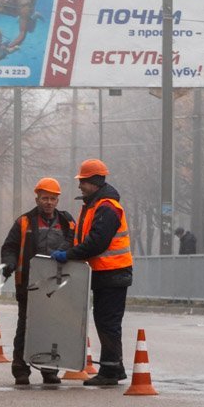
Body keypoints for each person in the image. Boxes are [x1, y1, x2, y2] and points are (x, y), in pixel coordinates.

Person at [50, 158, 132, 386]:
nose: (80, 186)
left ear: (94, 182)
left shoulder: (107, 207)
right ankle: (114, 368)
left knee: (108, 322)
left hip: (113, 273)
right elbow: (83, 238)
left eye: (83, 181)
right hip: (107, 273)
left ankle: (110, 372)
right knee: (106, 321)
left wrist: (70, 255)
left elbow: (97, 242)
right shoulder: (95, 206)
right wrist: (68, 249)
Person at [0, 177, 76, 385]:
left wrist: (65, 250)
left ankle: (49, 369)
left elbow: (75, 241)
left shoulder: (67, 221)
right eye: (45, 198)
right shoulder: (24, 222)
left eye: (52, 198)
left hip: (58, 286)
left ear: (57, 200)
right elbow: (9, 247)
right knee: (25, 327)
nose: (48, 202)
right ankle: (20, 370)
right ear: (37, 199)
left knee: (53, 327)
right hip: (29, 285)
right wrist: (9, 263)